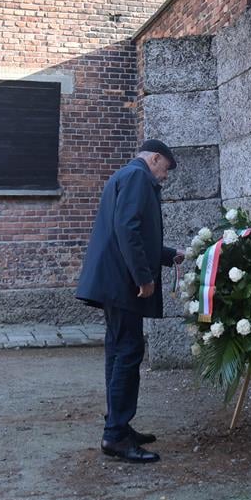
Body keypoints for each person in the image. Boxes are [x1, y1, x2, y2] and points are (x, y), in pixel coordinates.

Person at [76, 139, 184, 463]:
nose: (164, 178)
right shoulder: (138, 177)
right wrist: (144, 277)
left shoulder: (123, 176)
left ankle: (118, 426)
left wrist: (168, 256)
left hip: (114, 283)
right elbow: (128, 229)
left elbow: (131, 232)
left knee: (118, 351)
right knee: (128, 352)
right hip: (124, 285)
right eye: (164, 170)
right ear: (154, 158)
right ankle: (116, 436)